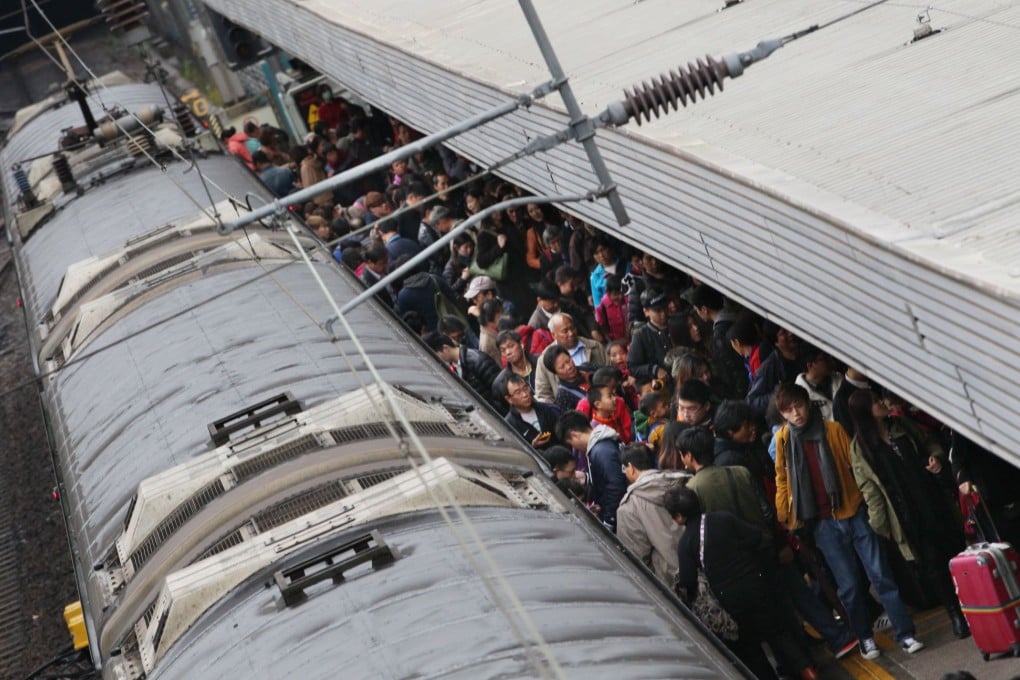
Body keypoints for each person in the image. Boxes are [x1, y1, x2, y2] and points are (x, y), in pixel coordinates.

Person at [773, 383, 923, 660]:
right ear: (782, 414)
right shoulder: (784, 440)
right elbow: (783, 479)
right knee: (850, 586)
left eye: (799, 406)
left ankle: (905, 633)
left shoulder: (832, 430)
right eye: (788, 410)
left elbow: (854, 467)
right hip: (821, 523)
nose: (796, 414)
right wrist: (786, 514)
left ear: (808, 404)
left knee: (881, 576)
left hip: (853, 511)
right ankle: (865, 637)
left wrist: (868, 505)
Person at [848, 390, 969, 638]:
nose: (881, 403)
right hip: (905, 513)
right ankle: (955, 612)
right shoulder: (860, 448)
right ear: (864, 412)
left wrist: (935, 458)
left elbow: (929, 443)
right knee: (933, 563)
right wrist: (880, 525)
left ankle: (973, 603)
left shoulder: (900, 424)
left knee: (955, 549)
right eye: (874, 402)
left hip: (932, 497)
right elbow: (870, 490)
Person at [666, 487, 820, 680]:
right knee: (781, 636)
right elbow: (758, 538)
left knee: (752, 653)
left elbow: (688, 582)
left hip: (731, 603)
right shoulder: (724, 519)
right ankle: (809, 673)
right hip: (757, 585)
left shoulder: (685, 544)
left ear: (679, 517)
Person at [616, 444, 688, 584]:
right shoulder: (684, 483)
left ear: (630, 467)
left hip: (669, 585)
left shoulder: (629, 508)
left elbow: (636, 560)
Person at [556, 410, 628, 530]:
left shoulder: (601, 451)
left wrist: (609, 520)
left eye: (572, 444)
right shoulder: (603, 444)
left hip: (621, 516)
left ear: (575, 435)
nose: (575, 448)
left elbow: (616, 485)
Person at [534, 313, 607, 403]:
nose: (571, 333)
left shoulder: (594, 346)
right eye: (565, 331)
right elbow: (544, 395)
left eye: (572, 328)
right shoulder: (544, 360)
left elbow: (608, 371)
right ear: (554, 335)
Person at [424, 333, 502, 413]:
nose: (437, 360)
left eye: (436, 356)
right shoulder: (455, 366)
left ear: (445, 348)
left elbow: (500, 390)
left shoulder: (477, 360)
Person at [497, 374, 561, 450]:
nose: (525, 394)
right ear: (509, 399)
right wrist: (533, 447)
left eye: (525, 388)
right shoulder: (509, 425)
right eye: (518, 392)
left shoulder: (546, 408)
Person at [627, 288, 673, 383]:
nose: (663, 314)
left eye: (664, 308)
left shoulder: (677, 325)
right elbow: (633, 368)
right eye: (658, 311)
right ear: (646, 312)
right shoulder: (640, 336)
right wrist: (654, 370)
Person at [544, 347, 590, 412]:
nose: (568, 367)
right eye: (562, 367)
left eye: (568, 361)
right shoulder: (563, 397)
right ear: (555, 373)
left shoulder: (588, 368)